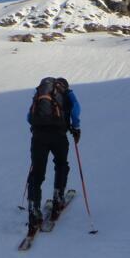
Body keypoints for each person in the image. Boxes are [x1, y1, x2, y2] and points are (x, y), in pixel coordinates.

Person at [26, 77, 81, 230]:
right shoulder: (67, 93)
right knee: (61, 164)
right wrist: (75, 128)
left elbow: (29, 117)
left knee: (36, 173)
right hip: (58, 135)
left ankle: (33, 210)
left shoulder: (40, 93)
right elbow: (76, 109)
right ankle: (58, 197)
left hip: (38, 137)